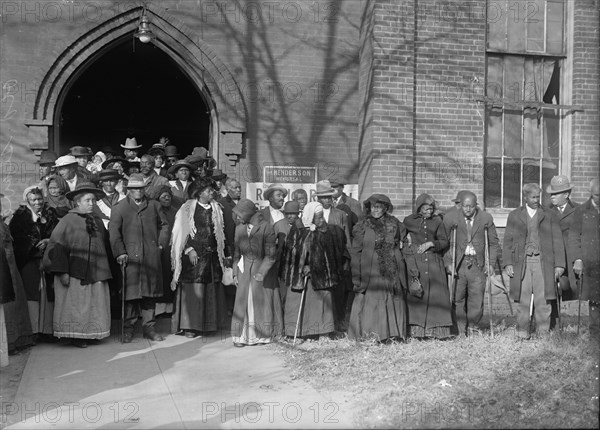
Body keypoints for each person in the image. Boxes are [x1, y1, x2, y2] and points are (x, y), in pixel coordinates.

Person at [42, 182, 112, 348]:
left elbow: (104, 245)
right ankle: (77, 336)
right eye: (88, 200)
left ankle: (91, 333)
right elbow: (56, 246)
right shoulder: (68, 221)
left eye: (93, 200)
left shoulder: (97, 221)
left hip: (96, 271)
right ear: (77, 202)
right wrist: (62, 272)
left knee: (94, 303)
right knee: (76, 304)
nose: (91, 204)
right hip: (74, 272)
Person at [109, 173, 170, 343]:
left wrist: (160, 245)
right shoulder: (119, 208)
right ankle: (127, 328)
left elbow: (164, 225)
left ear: (145, 189)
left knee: (149, 294)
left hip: (150, 257)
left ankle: (149, 328)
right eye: (134, 188)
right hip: (129, 259)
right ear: (129, 190)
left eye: (140, 188)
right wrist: (120, 252)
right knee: (130, 295)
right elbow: (114, 233)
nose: (138, 191)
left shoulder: (154, 205)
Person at [503, 183, 565, 339]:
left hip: (543, 262)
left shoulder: (549, 215)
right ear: (525, 197)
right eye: (533, 197)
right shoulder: (515, 215)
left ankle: (543, 332)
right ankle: (522, 332)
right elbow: (507, 241)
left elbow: (558, 241)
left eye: (538, 196)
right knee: (522, 298)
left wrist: (559, 265)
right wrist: (508, 263)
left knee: (543, 298)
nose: (537, 200)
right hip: (521, 262)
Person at [170, 178, 229, 337]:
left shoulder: (216, 208)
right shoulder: (187, 208)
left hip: (212, 257)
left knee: (210, 288)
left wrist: (223, 253)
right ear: (199, 193)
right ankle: (190, 327)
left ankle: (208, 326)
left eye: (212, 190)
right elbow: (181, 232)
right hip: (194, 257)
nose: (212, 193)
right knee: (193, 290)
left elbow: (221, 233)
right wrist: (189, 250)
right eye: (208, 191)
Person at [282, 202, 345, 339]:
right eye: (318, 217)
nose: (322, 220)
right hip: (300, 276)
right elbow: (291, 253)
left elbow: (330, 255)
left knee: (321, 302)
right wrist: (302, 266)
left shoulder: (326, 232)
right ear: (310, 217)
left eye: (322, 217)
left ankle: (322, 331)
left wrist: (314, 266)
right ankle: (296, 332)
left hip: (320, 275)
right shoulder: (297, 230)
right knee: (296, 301)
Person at [348, 194, 407, 341]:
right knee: (371, 298)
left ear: (385, 208)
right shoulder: (363, 225)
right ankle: (369, 333)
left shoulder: (395, 224)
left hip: (390, 266)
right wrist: (356, 272)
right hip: (369, 267)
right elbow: (356, 250)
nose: (375, 210)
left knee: (390, 297)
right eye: (373, 207)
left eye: (379, 207)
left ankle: (391, 332)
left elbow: (401, 242)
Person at [443, 191, 499, 336]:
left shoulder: (485, 218)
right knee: (457, 297)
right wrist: (448, 263)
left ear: (476, 205)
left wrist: (490, 263)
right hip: (459, 264)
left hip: (477, 264)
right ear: (460, 205)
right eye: (465, 206)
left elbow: (493, 243)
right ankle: (460, 329)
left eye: (471, 206)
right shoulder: (450, 218)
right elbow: (444, 243)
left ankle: (472, 327)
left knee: (476, 298)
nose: (468, 209)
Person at [9, 186, 59, 339]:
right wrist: (35, 245)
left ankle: (49, 330)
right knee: (32, 293)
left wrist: (48, 241)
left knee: (49, 293)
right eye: (33, 200)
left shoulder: (50, 213)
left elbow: (58, 233)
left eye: (39, 199)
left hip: (48, 258)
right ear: (27, 201)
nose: (37, 202)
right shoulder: (20, 216)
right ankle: (34, 330)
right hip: (29, 260)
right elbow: (18, 240)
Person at [231, 199, 281, 347]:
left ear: (247, 213)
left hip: (260, 271)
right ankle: (240, 337)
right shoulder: (239, 228)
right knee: (242, 304)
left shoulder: (267, 228)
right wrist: (235, 272)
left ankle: (260, 337)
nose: (238, 219)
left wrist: (262, 272)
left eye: (239, 215)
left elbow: (271, 255)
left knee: (259, 304)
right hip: (244, 271)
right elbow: (236, 253)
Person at [403, 193, 452, 339]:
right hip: (416, 262)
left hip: (433, 262)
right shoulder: (408, 220)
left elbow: (444, 241)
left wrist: (432, 243)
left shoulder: (437, 221)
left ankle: (438, 332)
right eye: (425, 208)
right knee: (418, 293)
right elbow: (401, 238)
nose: (429, 211)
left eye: (431, 208)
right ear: (419, 208)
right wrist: (409, 250)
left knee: (436, 295)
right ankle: (417, 332)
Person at [314, 180, 351, 330]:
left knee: (338, 293)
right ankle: (323, 325)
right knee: (322, 294)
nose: (327, 200)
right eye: (324, 197)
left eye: (329, 197)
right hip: (319, 260)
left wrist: (348, 259)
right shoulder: (313, 214)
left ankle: (339, 323)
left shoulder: (341, 215)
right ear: (318, 199)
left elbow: (347, 238)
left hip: (337, 260)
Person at [0, 194, 34, 354]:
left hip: (11, 265)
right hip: (3, 268)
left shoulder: (3, 224)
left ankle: (20, 338)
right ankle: (10, 342)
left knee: (17, 300)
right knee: (8, 304)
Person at [569, 178, 600, 338]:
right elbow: (574, 236)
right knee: (595, 298)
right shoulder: (582, 211)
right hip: (591, 262)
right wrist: (578, 259)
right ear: (591, 194)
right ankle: (595, 334)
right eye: (597, 195)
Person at [546, 175, 579, 304]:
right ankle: (553, 321)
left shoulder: (578, 210)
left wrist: (578, 259)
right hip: (552, 256)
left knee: (569, 287)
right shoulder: (546, 211)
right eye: (551, 194)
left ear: (566, 194)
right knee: (551, 289)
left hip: (570, 257)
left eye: (556, 193)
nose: (552, 196)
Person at [147, 185, 178, 317]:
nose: (167, 198)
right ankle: (158, 308)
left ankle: (170, 307)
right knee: (159, 277)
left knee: (170, 275)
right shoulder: (152, 211)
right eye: (163, 196)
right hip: (158, 247)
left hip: (172, 248)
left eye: (169, 196)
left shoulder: (176, 211)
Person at [218, 177, 242, 315]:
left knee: (239, 275)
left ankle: (238, 306)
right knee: (228, 276)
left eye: (239, 187)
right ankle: (228, 307)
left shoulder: (245, 203)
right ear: (227, 190)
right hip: (228, 246)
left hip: (242, 245)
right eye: (234, 188)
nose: (238, 190)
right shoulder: (221, 204)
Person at [273, 201, 304, 305]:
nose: (290, 216)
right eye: (288, 213)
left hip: (297, 264)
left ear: (298, 214)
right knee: (282, 293)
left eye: (293, 213)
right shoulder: (278, 225)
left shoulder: (302, 225)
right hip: (282, 264)